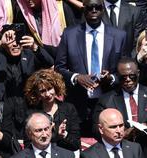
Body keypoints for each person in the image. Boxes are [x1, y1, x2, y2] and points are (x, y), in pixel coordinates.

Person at [54, 1, 126, 132]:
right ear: (83, 9)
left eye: (97, 7)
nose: (93, 10)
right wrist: (77, 77)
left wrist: (111, 78)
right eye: (89, 7)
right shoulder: (70, 34)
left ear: (103, 9)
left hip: (107, 103)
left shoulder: (119, 36)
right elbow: (59, 68)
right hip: (77, 103)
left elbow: (124, 71)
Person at [18, 69, 80, 153]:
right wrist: (49, 136)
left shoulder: (69, 109)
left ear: (56, 87)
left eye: (50, 88)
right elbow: (28, 146)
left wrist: (64, 135)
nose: (47, 94)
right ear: (36, 93)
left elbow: (76, 145)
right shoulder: (32, 114)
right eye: (42, 91)